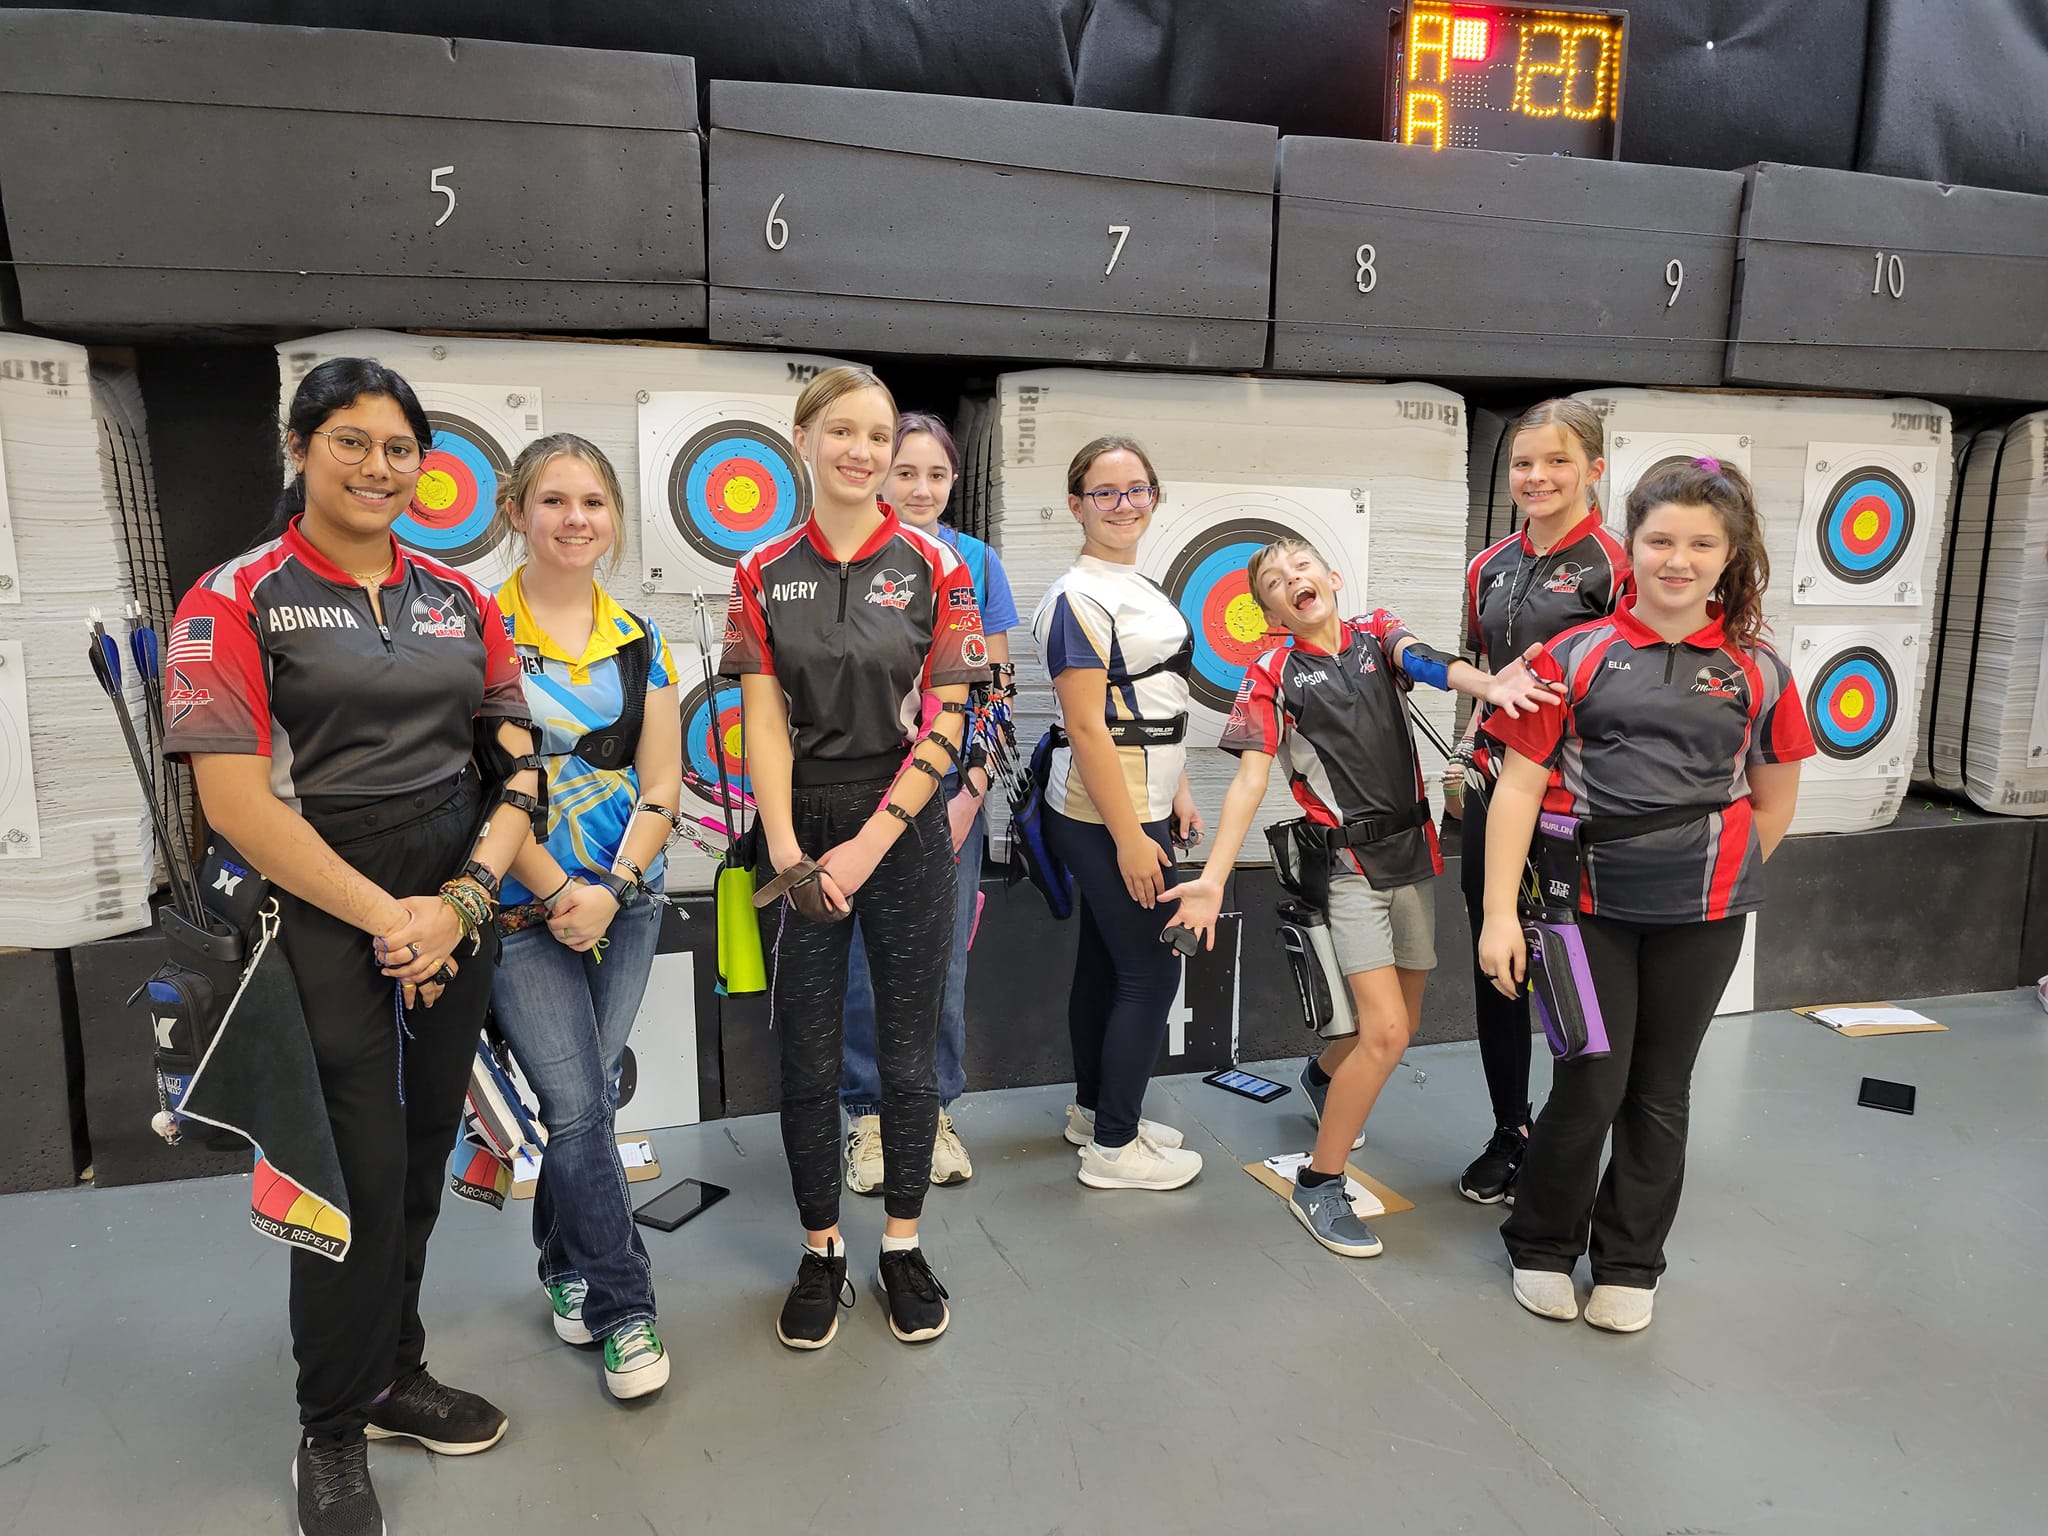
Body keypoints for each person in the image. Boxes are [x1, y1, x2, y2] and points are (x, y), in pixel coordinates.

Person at [165, 358, 539, 1536]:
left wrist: (463, 902)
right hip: (319, 919)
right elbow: (233, 801)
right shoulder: (235, 596)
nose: (378, 467)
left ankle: (391, 1375)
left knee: (424, 1151)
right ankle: (328, 1428)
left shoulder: (457, 597)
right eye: (351, 442)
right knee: (350, 1177)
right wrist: (394, 920)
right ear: (298, 445)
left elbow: (518, 768)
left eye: (397, 448)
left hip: (453, 910)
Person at [1477, 457, 1814, 1333]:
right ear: (1632, 544)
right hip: (1579, 909)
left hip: (1705, 919)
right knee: (1590, 1079)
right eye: (1661, 539)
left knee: (1661, 1089)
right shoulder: (1571, 653)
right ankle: (1544, 1245)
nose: (1679, 558)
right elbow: (1517, 788)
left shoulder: (1760, 669)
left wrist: (1715, 869)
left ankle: (1630, 1262)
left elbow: (1774, 800)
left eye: (1702, 543)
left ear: (1731, 553)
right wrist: (1496, 917)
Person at [1165, 539, 1557, 1256]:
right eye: (1276, 582)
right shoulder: (1270, 674)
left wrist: (1490, 688)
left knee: (1398, 1023)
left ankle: (1320, 1075)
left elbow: (1431, 661)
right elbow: (1252, 781)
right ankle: (1319, 1183)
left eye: (1303, 567)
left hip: (1417, 860)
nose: (1294, 580)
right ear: (1267, 612)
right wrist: (1216, 875)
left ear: (1332, 578)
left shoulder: (1378, 631)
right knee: (1384, 1035)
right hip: (1348, 870)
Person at [722, 366, 982, 1349]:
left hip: (900, 829)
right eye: (842, 431)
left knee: (908, 1057)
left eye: (877, 435)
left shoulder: (933, 564)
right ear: (803, 439)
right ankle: (821, 1248)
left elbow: (952, 721)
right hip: (799, 832)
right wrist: (790, 856)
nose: (862, 451)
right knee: (806, 1051)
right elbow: (761, 725)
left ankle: (902, 1245)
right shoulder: (760, 570)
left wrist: (869, 845)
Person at [486, 434, 684, 1401]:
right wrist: (556, 890)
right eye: (554, 500)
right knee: (574, 1106)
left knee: (586, 1103)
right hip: (522, 911)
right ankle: (624, 1306)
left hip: (626, 900)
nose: (576, 520)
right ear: (516, 508)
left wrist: (609, 886)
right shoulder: (475, 628)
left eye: (594, 502)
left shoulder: (643, 639)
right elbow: (479, 781)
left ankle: (561, 1263)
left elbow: (662, 781)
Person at [1453, 399, 1633, 1206]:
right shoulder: (1487, 564)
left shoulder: (1620, 564)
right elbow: (1481, 669)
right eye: (1524, 463)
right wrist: (1468, 755)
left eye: (1557, 461)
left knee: (1577, 973)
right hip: (1496, 791)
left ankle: (1573, 1138)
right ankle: (1509, 1130)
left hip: (1578, 807)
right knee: (1499, 960)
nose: (1537, 477)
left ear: (1595, 468)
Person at [842, 412, 1020, 1194]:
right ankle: (868, 1118)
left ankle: (931, 1108)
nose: (919, 488)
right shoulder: (845, 554)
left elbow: (997, 690)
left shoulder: (976, 564)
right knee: (855, 959)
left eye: (936, 475)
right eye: (904, 472)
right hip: (852, 784)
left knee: (939, 955)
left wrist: (969, 794)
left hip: (949, 788)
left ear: (953, 483)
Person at [1031, 435, 1207, 1193]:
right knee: (1148, 968)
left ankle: (1095, 1110)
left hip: (1142, 800)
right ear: (1077, 504)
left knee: (1107, 964)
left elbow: (1155, 699)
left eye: (1137, 489)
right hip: (1108, 812)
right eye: (1105, 493)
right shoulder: (1079, 595)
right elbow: (1087, 725)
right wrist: (1136, 836)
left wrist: (1181, 791)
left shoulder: (1139, 586)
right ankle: (1113, 1145)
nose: (1124, 504)